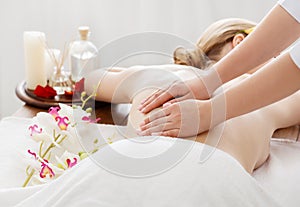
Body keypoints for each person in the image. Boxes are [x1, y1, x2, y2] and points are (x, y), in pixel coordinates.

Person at [138, 0, 300, 138]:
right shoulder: (193, 80)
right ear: (239, 41)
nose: (278, 57)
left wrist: (209, 109)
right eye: (276, 56)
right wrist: (207, 90)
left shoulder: (178, 77)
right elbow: (293, 13)